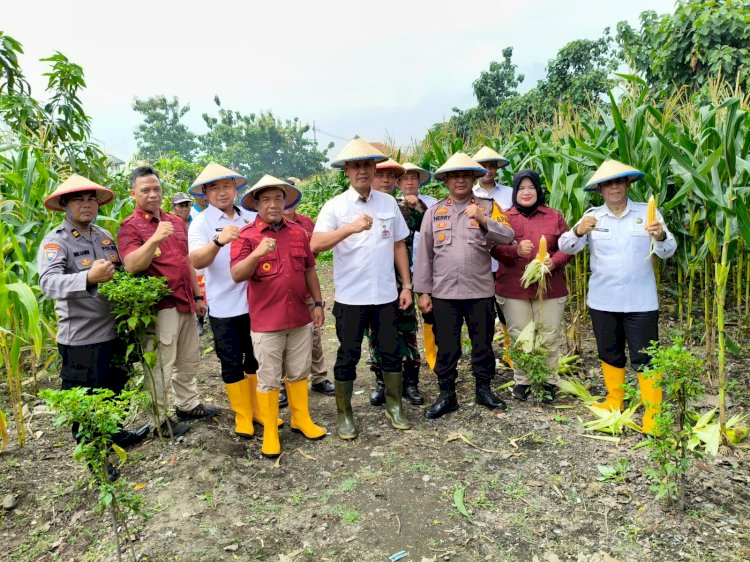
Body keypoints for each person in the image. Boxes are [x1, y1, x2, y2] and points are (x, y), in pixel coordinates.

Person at [38, 175, 149, 478]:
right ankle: (95, 457)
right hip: (82, 339)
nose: (86, 204)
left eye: (90, 199)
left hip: (114, 331)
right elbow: (47, 283)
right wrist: (87, 277)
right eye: (78, 199)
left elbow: (121, 272)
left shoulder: (103, 236)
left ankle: (114, 434)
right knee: (86, 402)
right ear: (65, 205)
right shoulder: (56, 240)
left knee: (113, 389)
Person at [559, 159, 676, 434]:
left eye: (618, 182)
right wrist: (578, 231)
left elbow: (668, 250)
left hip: (641, 300)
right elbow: (566, 245)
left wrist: (660, 236)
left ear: (627, 184)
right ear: (600, 190)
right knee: (609, 353)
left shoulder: (648, 213)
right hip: (603, 300)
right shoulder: (592, 216)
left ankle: (653, 415)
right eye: (608, 184)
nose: (614, 187)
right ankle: (614, 401)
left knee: (646, 358)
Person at [310, 137, 413, 439]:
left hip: (384, 295)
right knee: (348, 354)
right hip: (350, 297)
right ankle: (345, 415)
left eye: (367, 165)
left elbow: (398, 244)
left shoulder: (388, 203)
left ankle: (395, 407)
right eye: (355, 166)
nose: (362, 171)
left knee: (390, 351)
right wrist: (349, 228)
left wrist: (406, 284)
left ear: (374, 167)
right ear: (346, 171)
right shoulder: (335, 207)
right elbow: (315, 245)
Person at [117, 166, 219, 437]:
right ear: (133, 193)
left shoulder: (175, 221)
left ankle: (187, 404)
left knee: (188, 359)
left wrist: (198, 296)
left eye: (156, 189)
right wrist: (154, 239)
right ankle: (159, 420)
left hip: (185, 299)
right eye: (145, 190)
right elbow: (131, 265)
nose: (153, 194)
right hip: (160, 307)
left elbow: (185, 260)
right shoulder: (130, 226)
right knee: (161, 364)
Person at [230, 175, 326, 458]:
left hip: (299, 317)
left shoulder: (298, 232)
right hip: (266, 322)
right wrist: (257, 253)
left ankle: (301, 418)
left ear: (285, 202)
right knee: (269, 378)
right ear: (256, 203)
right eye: (267, 199)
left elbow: (309, 270)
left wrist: (318, 303)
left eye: (278, 198)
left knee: (299, 371)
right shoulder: (246, 236)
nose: (273, 204)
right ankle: (271, 429)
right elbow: (236, 274)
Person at [413, 152, 515, 419]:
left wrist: (482, 219)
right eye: (454, 176)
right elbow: (424, 254)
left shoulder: (489, 207)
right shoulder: (434, 213)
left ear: (473, 178)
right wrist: (423, 292)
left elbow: (508, 235)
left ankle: (484, 390)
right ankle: (447, 395)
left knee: (482, 344)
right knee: (447, 345)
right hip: (444, 293)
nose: (460, 180)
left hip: (480, 291)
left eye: (465, 175)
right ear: (446, 180)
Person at [187, 163, 262, 439]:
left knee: (256, 359)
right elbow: (196, 260)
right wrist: (218, 241)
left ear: (235, 187)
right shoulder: (201, 223)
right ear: (205, 193)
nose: (222, 192)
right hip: (224, 307)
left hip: (255, 303)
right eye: (214, 187)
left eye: (226, 185)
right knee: (231, 361)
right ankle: (242, 416)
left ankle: (258, 411)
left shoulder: (250, 217)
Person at [490, 170, 572, 402]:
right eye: (521, 188)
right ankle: (523, 381)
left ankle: (548, 381)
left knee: (548, 335)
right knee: (521, 336)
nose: (526, 193)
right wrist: (514, 250)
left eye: (531, 188)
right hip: (514, 288)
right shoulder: (505, 217)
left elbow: (568, 246)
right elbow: (493, 248)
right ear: (515, 192)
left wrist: (553, 262)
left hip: (550, 287)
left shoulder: (554, 216)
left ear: (538, 190)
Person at [368, 159, 426, 406]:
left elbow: (432, 229)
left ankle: (411, 383)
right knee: (375, 335)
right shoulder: (359, 209)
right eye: (381, 176)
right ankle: (382, 382)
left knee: (406, 331)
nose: (386, 180)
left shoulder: (405, 208)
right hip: (372, 283)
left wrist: (419, 207)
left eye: (391, 176)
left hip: (402, 281)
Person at [282, 177, 335, 397]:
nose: (287, 204)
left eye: (291, 198)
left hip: (306, 287)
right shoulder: (267, 225)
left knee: (314, 334)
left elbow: (316, 251)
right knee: (282, 337)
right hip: (282, 290)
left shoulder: (306, 223)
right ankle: (283, 383)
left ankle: (319, 377)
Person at [473, 146, 514, 366]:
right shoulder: (468, 196)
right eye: (483, 166)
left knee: (507, 310)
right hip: (480, 265)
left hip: (506, 263)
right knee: (484, 314)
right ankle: (485, 356)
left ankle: (511, 354)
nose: (488, 170)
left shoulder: (509, 194)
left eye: (492, 165)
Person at [398, 162, 438, 371]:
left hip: (428, 265)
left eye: (413, 178)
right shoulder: (391, 204)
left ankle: (434, 358)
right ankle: (408, 360)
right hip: (400, 268)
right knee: (403, 315)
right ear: (398, 183)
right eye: (404, 179)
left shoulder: (432, 204)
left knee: (430, 311)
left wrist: (417, 208)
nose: (409, 182)